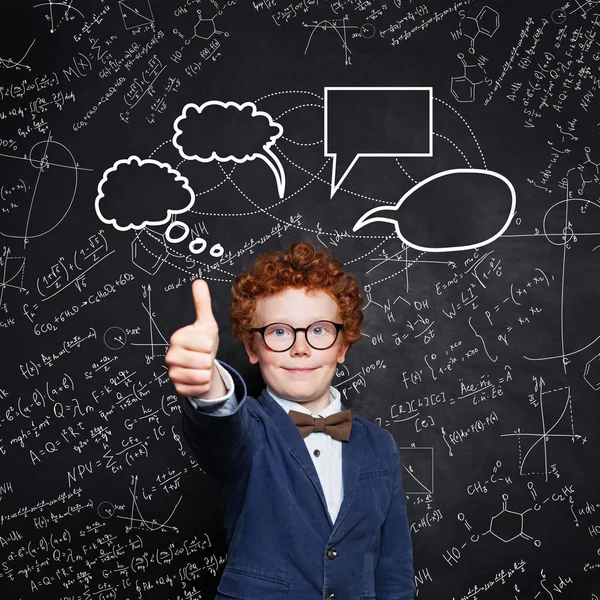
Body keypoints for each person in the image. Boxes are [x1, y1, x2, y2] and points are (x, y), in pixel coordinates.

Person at [165, 241, 415, 600]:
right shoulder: (249, 430)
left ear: (342, 346)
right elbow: (220, 425)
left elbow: (394, 573)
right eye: (279, 331)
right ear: (253, 348)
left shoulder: (379, 444)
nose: (301, 347)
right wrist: (208, 384)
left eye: (318, 330)